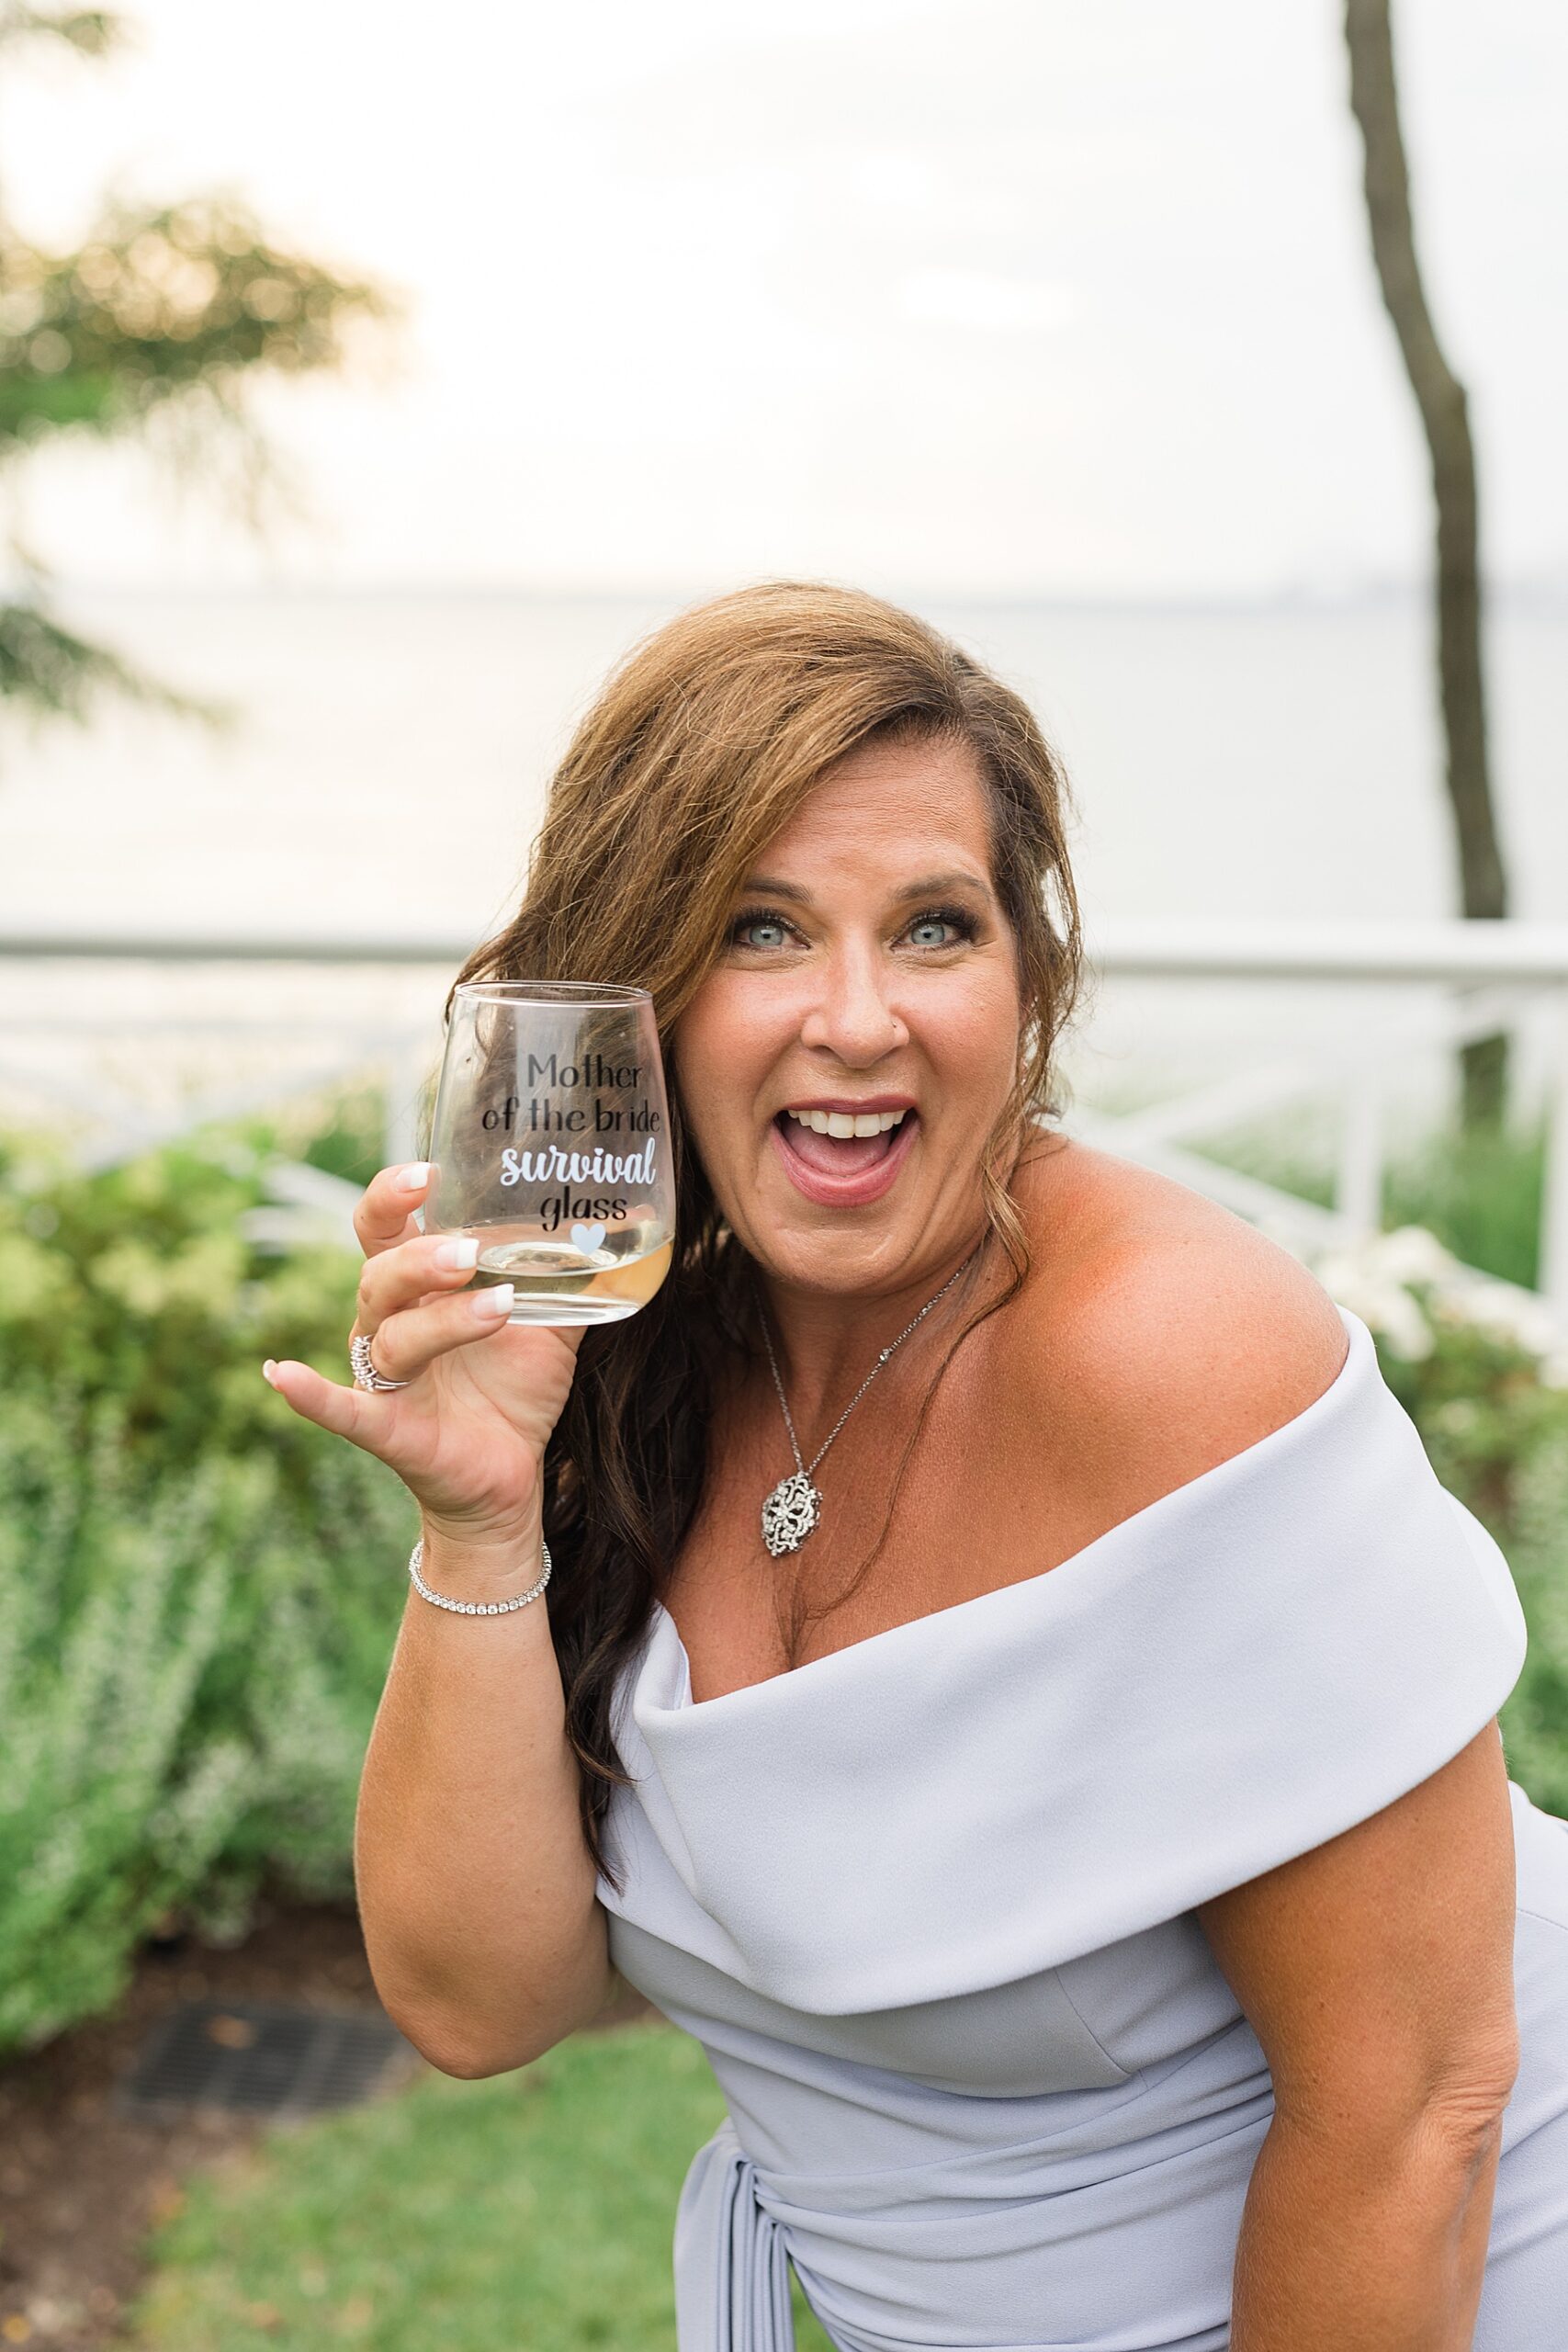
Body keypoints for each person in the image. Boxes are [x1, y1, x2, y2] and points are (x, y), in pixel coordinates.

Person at [263, 582, 1568, 2351]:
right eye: (761, 929)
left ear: (1027, 983)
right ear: (627, 993)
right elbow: (482, 2000)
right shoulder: (645, 1364)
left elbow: (1418, 2113)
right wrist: (485, 1513)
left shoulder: (1173, 1357)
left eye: (936, 928)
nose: (859, 1019)